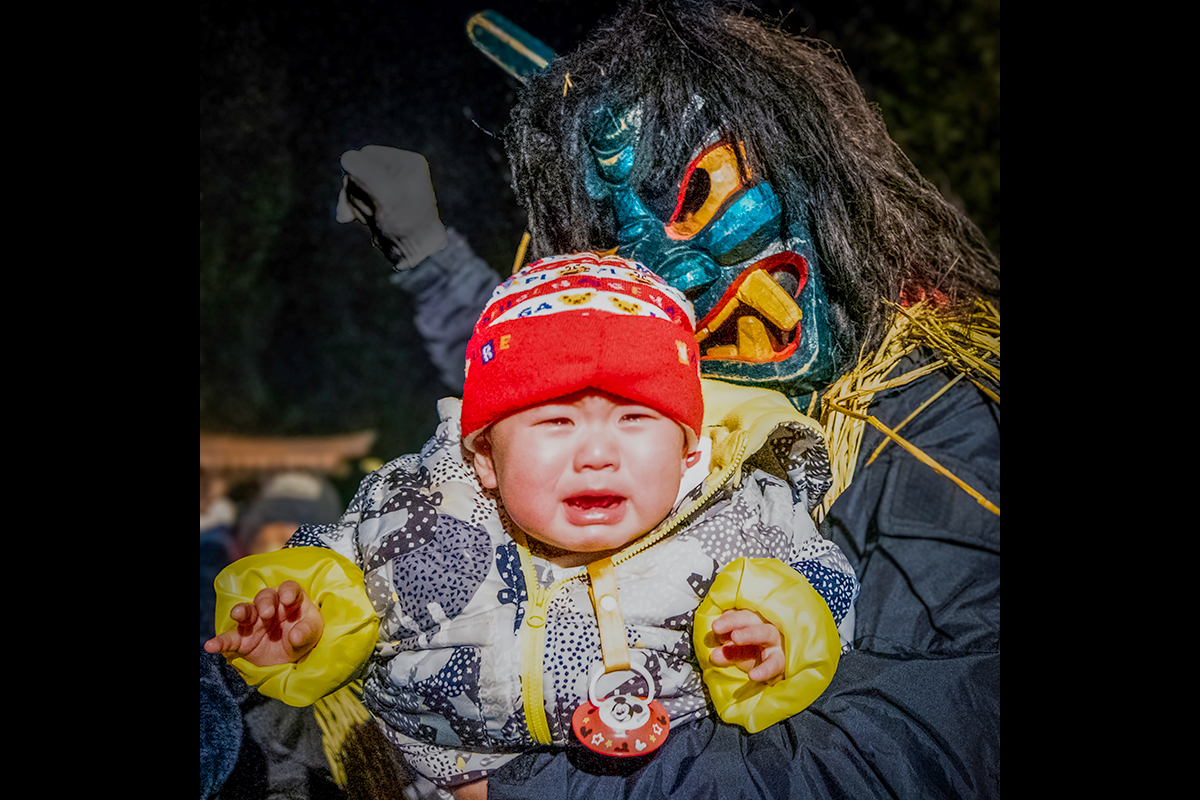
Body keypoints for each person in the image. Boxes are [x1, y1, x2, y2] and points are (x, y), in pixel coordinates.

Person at [333, 2, 999, 797]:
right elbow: (523, 390)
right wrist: (426, 256)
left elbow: (927, 745)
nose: (673, 277)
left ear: (819, 186)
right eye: (617, 240)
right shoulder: (660, 411)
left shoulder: (932, 416)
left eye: (703, 199)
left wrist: (516, 791)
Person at [206, 253, 859, 799]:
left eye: (634, 418)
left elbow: (824, 578)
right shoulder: (419, 509)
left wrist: (781, 629)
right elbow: (335, 561)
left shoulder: (739, 515)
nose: (597, 453)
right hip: (423, 780)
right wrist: (304, 622)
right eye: (557, 422)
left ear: (689, 451)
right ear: (486, 457)